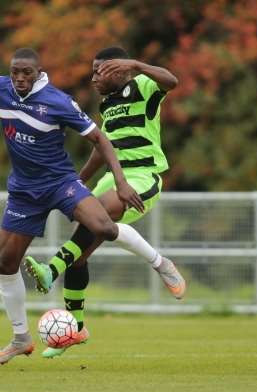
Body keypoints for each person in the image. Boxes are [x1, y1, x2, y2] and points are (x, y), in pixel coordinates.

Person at [0, 44, 168, 366]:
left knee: (101, 227)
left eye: (26, 73)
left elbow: (99, 139)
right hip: (24, 192)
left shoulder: (58, 101)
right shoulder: (2, 88)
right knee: (5, 262)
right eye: (15, 72)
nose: (19, 79)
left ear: (38, 72)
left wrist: (121, 184)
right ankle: (20, 339)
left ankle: (157, 262)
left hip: (60, 183)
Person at [25, 47, 186, 358]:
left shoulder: (143, 86)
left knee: (91, 218)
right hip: (113, 178)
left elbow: (173, 81)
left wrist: (137, 64)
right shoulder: (107, 104)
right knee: (80, 256)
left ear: (120, 70)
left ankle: (51, 270)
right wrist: (78, 181)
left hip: (141, 177)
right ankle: (78, 329)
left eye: (100, 70)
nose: (93, 77)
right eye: (93, 70)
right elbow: (102, 149)